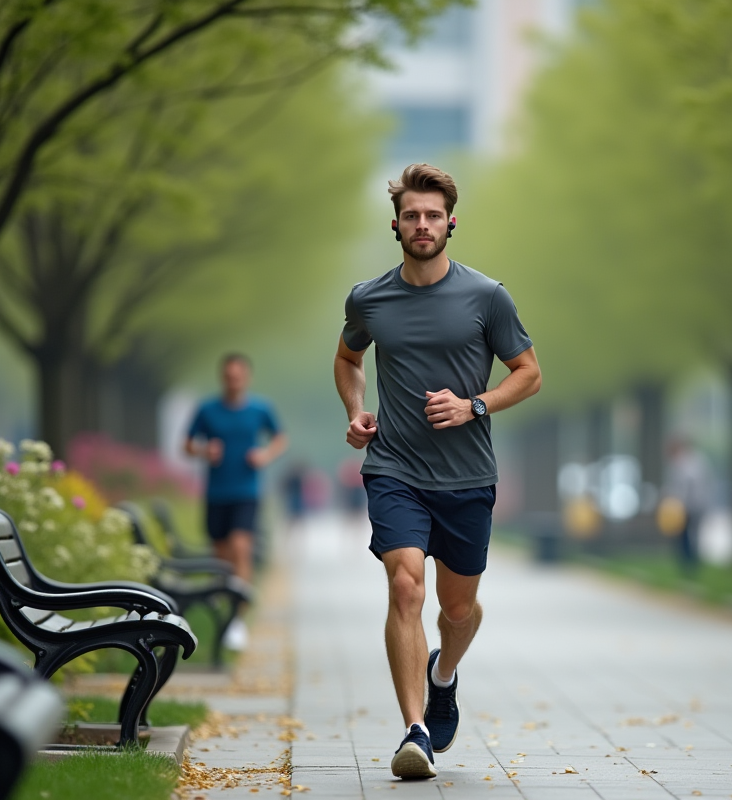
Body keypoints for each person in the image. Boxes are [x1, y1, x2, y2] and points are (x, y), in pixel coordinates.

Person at [333, 164, 541, 779]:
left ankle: (443, 673)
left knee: (456, 612)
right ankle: (415, 732)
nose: (421, 225)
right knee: (404, 587)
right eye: (410, 216)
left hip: (467, 476)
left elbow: (528, 374)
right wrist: (355, 410)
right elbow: (348, 357)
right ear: (395, 225)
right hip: (394, 466)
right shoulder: (369, 297)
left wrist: (474, 404)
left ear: (450, 222)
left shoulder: (487, 296)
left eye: (432, 215)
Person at [185, 353, 287, 650]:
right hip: (217, 493)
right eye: (229, 377)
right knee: (221, 556)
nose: (234, 382)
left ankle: (237, 619)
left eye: (238, 376)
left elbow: (280, 438)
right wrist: (204, 451)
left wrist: (265, 455)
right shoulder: (207, 410)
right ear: (223, 378)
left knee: (241, 547)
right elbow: (187, 444)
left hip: (247, 492)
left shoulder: (260, 409)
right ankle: (225, 603)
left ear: (247, 378)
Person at [664, 437, 713, 573]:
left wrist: (677, 502)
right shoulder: (699, 460)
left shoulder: (684, 462)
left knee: (687, 535)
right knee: (692, 535)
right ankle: (690, 563)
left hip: (689, 505)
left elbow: (684, 486)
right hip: (696, 504)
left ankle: (689, 564)